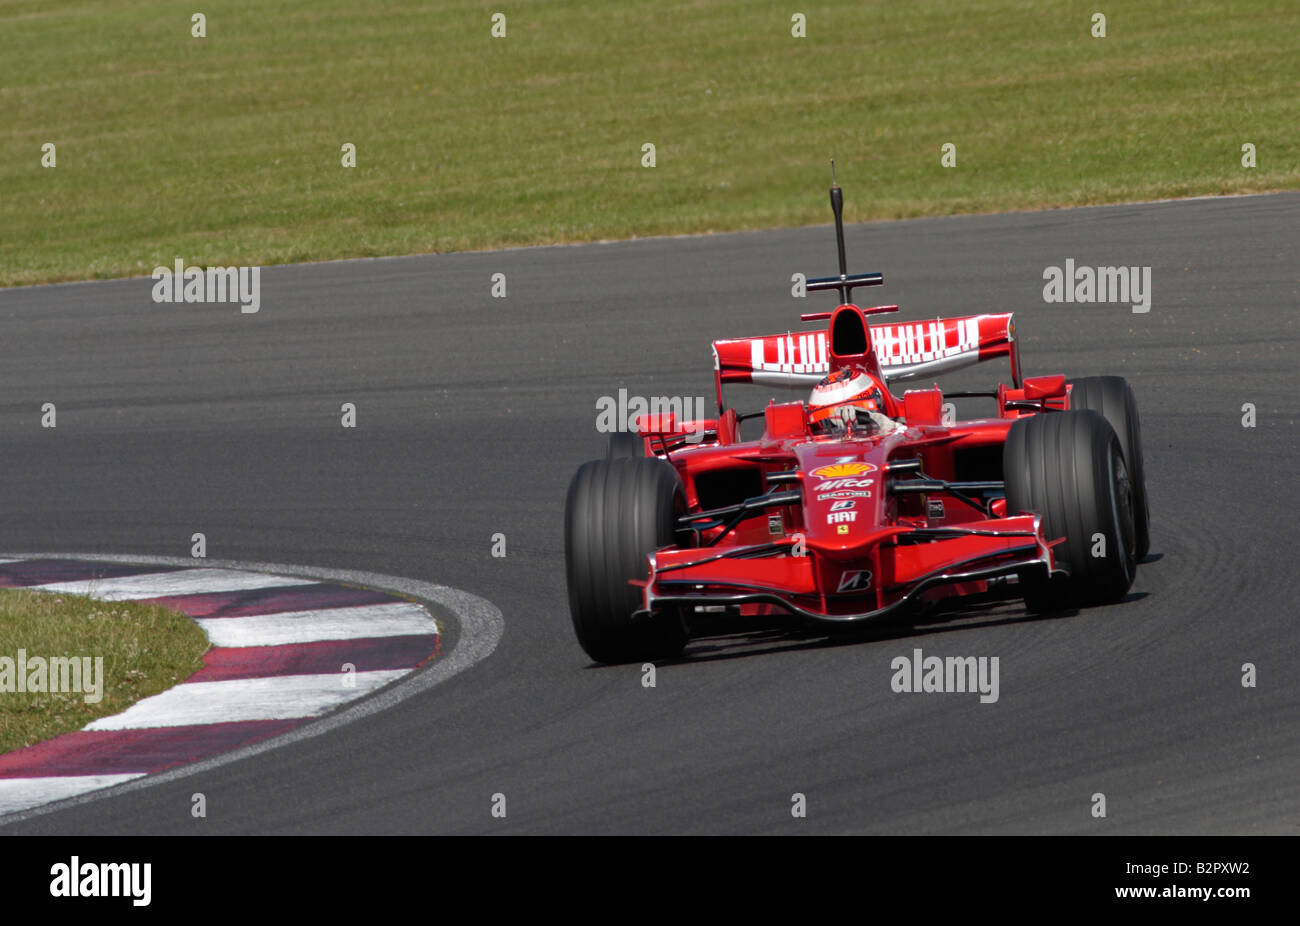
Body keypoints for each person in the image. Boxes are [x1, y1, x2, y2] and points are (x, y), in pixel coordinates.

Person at [807, 366, 904, 435]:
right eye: (833, 427)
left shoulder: (890, 425)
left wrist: (879, 422)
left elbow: (907, 432)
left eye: (860, 424)